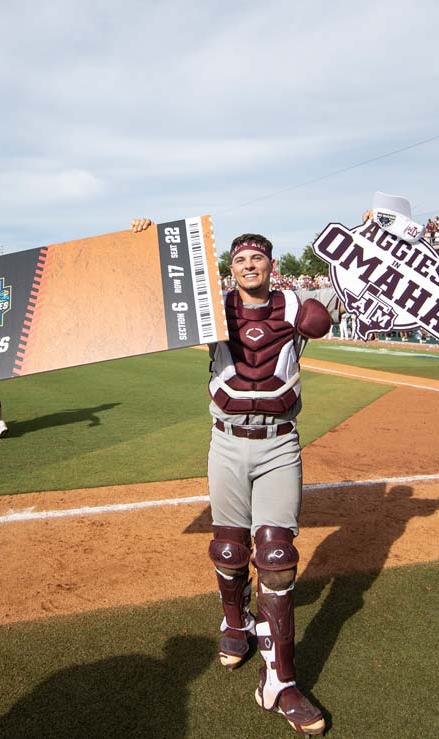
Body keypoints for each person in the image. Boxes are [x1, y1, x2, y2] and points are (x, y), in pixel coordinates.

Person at [131, 219, 340, 736]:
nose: (250, 265)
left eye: (259, 258)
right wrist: (145, 241)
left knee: (276, 557)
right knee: (228, 548)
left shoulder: (294, 306)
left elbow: (326, 312)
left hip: (278, 443)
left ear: (271, 264)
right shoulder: (211, 308)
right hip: (226, 440)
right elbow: (157, 302)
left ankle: (281, 683)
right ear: (231, 268)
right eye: (241, 259)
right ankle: (234, 621)